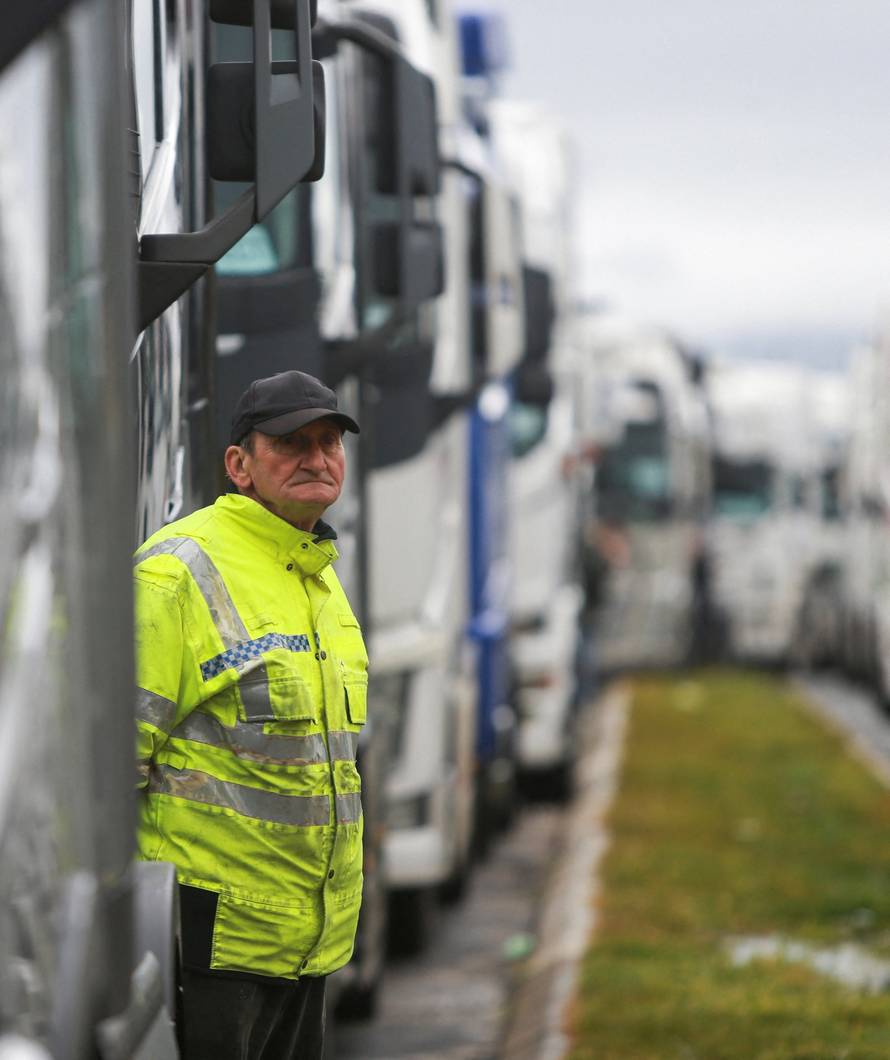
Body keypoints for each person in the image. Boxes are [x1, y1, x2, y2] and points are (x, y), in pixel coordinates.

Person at [133, 370, 367, 1059]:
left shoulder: (317, 578)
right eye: (291, 443)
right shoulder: (175, 573)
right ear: (240, 464)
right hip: (213, 949)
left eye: (328, 442)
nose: (316, 458)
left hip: (307, 942)